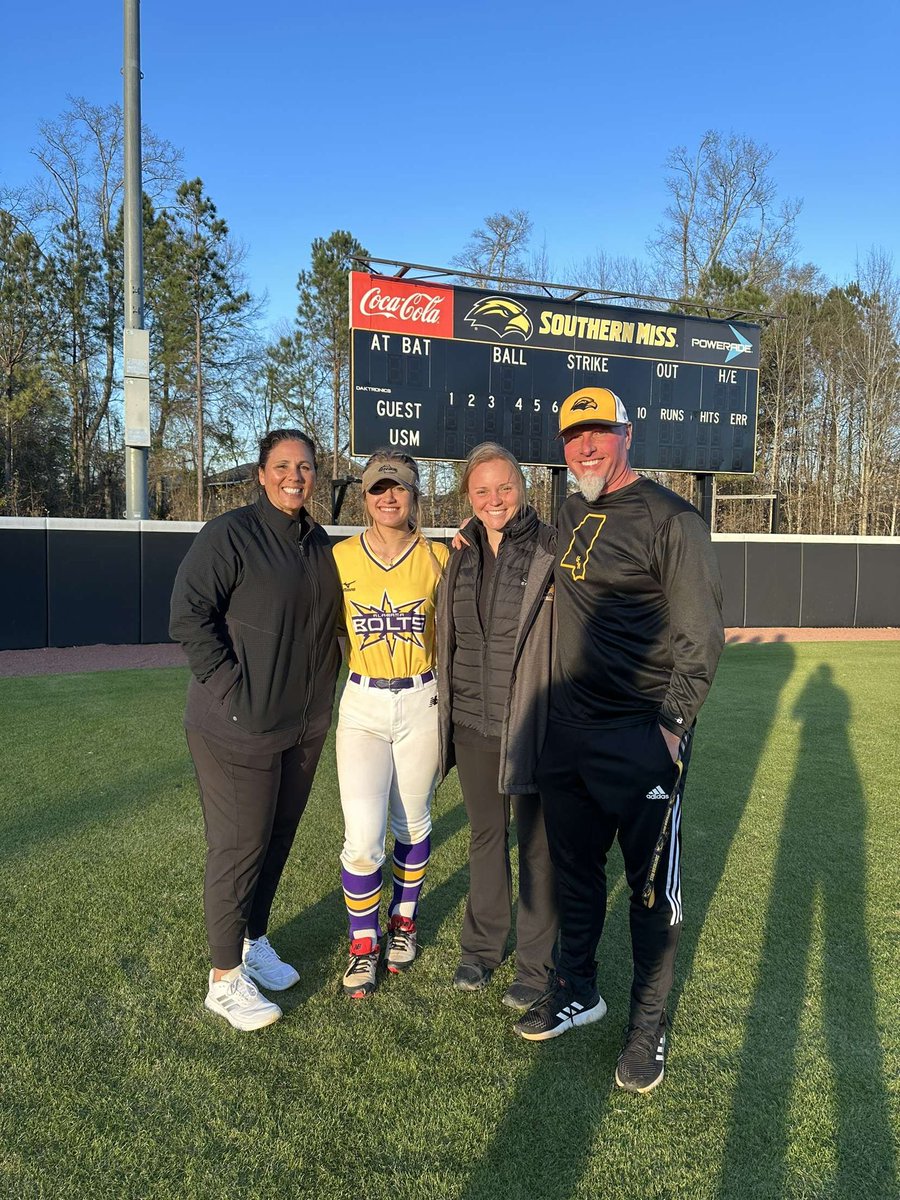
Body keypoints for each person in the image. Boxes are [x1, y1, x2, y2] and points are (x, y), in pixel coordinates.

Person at [513, 387, 724, 1097]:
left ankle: (648, 1024)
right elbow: (520, 533)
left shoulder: (674, 521)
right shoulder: (572, 509)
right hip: (568, 735)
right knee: (574, 874)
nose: (586, 447)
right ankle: (578, 989)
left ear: (627, 435)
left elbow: (702, 637)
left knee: (649, 891)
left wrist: (671, 727)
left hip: (639, 738)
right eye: (574, 436)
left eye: (600, 432)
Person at [169, 429, 341, 1031]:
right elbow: (188, 616)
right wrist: (231, 691)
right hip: (235, 727)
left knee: (277, 838)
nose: (295, 476)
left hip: (301, 725)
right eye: (283, 465)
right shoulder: (230, 533)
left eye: (306, 466)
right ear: (261, 474)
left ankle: (253, 940)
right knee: (240, 845)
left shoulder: (318, 542)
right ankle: (223, 980)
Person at [436, 443, 558, 1009]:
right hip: (471, 722)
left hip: (531, 724)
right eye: (482, 490)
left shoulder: (552, 546)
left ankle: (535, 966)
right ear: (468, 496)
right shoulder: (459, 553)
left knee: (537, 846)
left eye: (504, 487)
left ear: (523, 487)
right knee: (486, 837)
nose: (494, 499)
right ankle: (482, 949)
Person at [332, 451, 448, 998]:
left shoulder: (440, 556)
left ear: (414, 495)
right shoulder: (339, 557)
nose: (388, 497)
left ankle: (403, 922)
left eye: (398, 487)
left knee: (413, 824)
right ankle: (363, 943)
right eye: (378, 488)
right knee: (362, 840)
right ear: (365, 496)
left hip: (421, 696)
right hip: (363, 702)